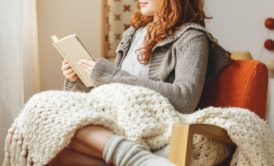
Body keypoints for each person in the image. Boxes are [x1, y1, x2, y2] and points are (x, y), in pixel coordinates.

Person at [51, 0, 230, 165]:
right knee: (52, 140)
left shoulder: (192, 38)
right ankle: (133, 158)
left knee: (56, 131)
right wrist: (79, 80)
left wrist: (111, 75)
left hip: (154, 129)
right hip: (118, 120)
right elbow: (116, 89)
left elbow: (185, 99)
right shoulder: (133, 34)